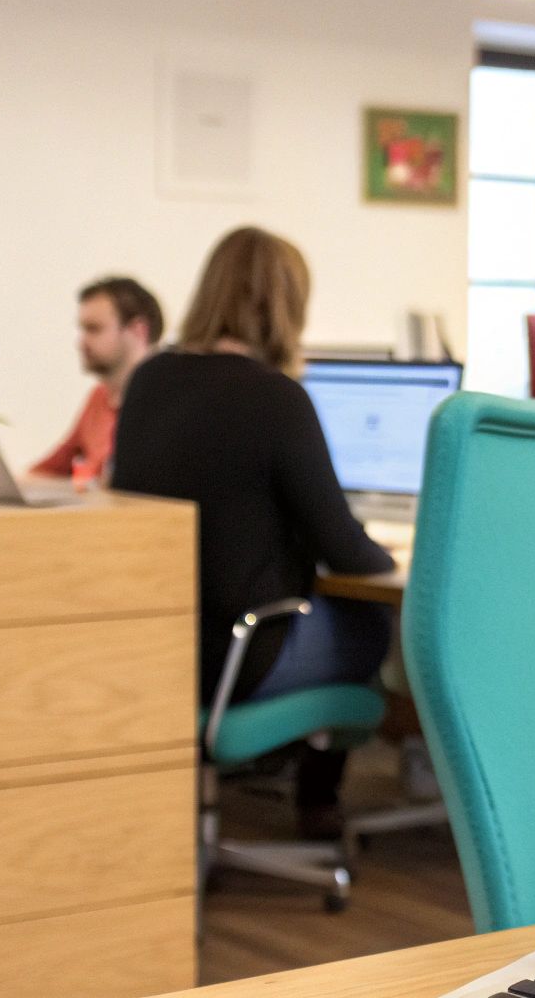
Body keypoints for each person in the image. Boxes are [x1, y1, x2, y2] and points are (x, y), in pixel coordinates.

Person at [110, 227, 394, 839]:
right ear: (286, 306)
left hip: (156, 653)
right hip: (236, 657)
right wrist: (392, 557)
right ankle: (317, 803)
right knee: (371, 624)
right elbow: (345, 550)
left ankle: (295, 791)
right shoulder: (277, 398)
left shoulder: (150, 379)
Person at [31, 277, 163, 485]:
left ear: (139, 330)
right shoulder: (100, 397)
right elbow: (48, 470)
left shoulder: (167, 401)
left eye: (94, 329)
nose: (81, 342)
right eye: (82, 329)